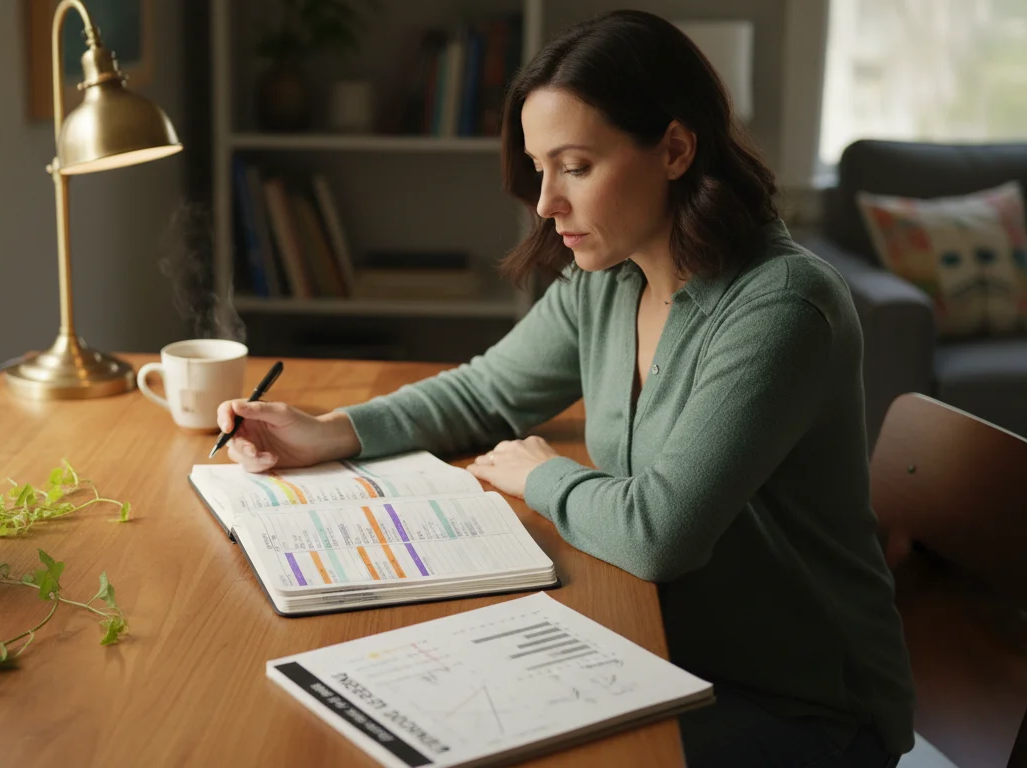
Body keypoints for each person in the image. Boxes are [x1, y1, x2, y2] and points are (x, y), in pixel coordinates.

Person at [216, 10, 913, 767]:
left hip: (802, 708)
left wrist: (539, 474)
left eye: (575, 166)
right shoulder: (613, 277)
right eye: (540, 167)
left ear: (675, 149)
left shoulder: (782, 307)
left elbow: (660, 534)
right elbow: (486, 393)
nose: (546, 202)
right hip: (663, 652)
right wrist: (330, 430)